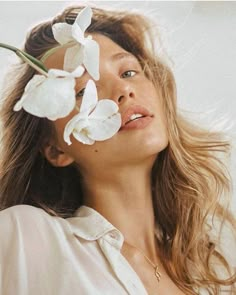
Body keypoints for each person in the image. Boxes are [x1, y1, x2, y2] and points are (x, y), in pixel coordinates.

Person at [0, 4, 235, 295]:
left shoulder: (210, 274)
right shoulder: (29, 235)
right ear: (55, 149)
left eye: (128, 72)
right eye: (83, 90)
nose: (123, 90)